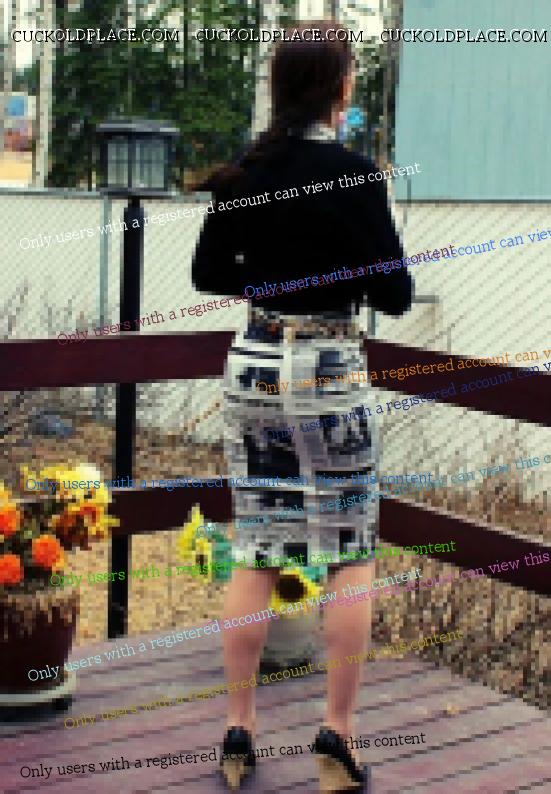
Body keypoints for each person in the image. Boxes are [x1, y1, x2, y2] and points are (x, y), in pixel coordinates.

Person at [192, 20, 413, 792]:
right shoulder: (355, 177)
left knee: (258, 546)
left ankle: (238, 729)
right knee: (349, 550)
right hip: (326, 370)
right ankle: (336, 735)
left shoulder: (246, 171)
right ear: (341, 87)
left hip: (254, 365)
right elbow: (395, 293)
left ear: (279, 86)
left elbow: (208, 275)